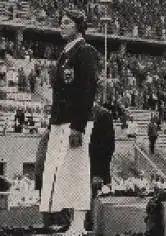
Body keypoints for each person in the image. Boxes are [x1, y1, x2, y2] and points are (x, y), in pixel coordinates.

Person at [39, 9, 99, 235]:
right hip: (60, 120)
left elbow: (87, 90)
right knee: (62, 171)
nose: (61, 26)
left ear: (78, 26)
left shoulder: (85, 52)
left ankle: (79, 225)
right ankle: (70, 221)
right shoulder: (65, 53)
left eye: (67, 22)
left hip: (75, 122)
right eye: (61, 22)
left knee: (77, 170)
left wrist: (78, 126)